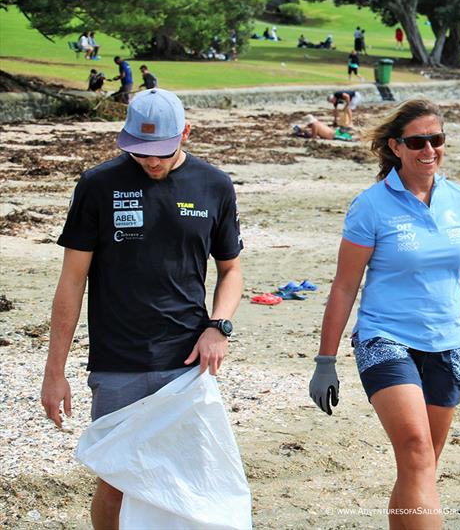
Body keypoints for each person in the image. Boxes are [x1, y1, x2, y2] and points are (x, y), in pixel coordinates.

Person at [41, 88, 244, 528]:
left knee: (189, 475)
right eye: (140, 152)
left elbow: (231, 270)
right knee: (116, 477)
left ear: (185, 133)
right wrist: (54, 373)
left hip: (185, 363)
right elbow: (71, 282)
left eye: (161, 152)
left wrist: (218, 326)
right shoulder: (97, 185)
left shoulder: (214, 185)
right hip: (118, 364)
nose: (151, 162)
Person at [309, 98, 460, 530]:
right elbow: (343, 286)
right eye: (418, 141)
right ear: (396, 147)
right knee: (416, 450)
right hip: (385, 339)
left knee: (422, 466)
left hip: (447, 345)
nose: (429, 149)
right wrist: (325, 361)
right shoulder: (371, 206)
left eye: (437, 140)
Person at [292, 114, 358, 141]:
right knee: (351, 137)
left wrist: (303, 135)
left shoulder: (314, 125)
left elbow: (314, 137)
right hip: (336, 132)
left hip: (335, 135)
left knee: (351, 139)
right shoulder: (317, 123)